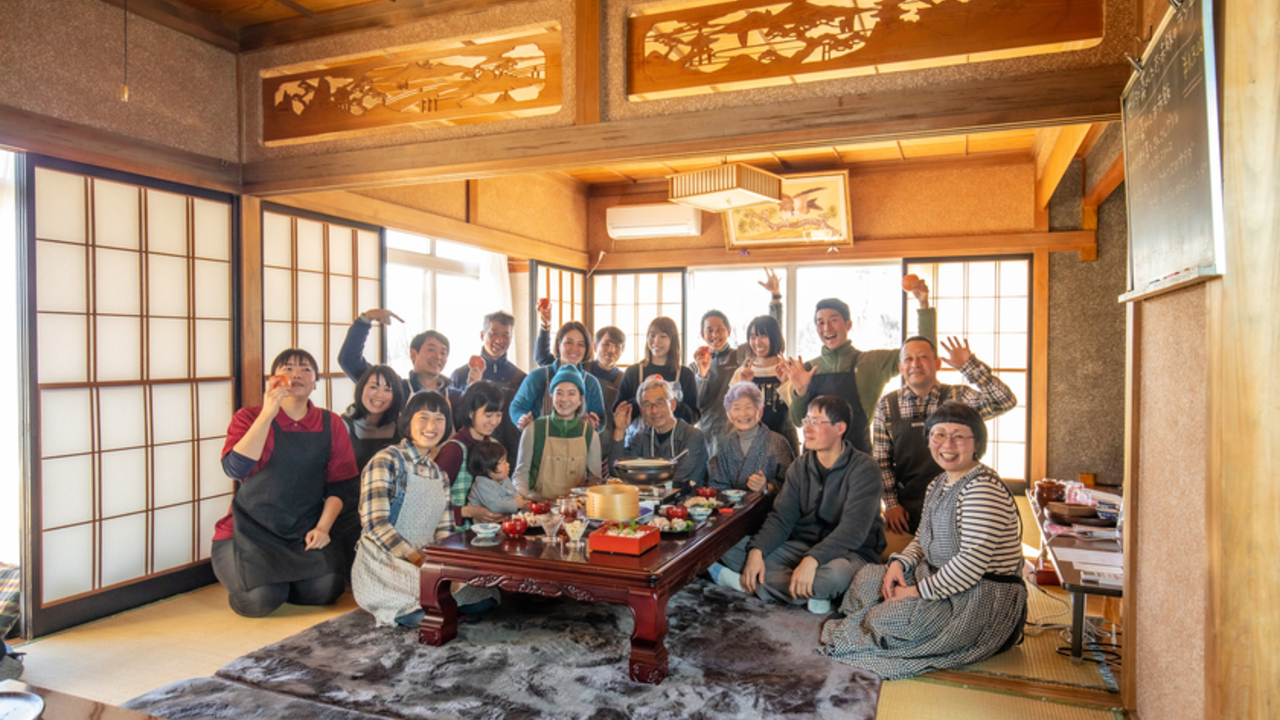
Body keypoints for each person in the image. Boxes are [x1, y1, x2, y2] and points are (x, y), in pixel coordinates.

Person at [817, 402, 1027, 679]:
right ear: (929, 440)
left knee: (887, 618)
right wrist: (898, 564)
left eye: (959, 436)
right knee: (868, 578)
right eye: (939, 434)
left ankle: (883, 618)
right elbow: (922, 538)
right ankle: (880, 615)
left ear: (977, 443)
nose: (947, 444)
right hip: (936, 576)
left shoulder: (982, 490)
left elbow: (970, 566)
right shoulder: (938, 483)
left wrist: (914, 592)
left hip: (979, 596)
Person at [211, 349, 358, 618]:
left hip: (301, 532)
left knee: (326, 590)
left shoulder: (331, 423)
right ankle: (267, 583)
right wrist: (268, 413)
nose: (296, 374)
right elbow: (235, 468)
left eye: (305, 369)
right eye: (287, 368)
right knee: (260, 600)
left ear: (315, 382)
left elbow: (343, 485)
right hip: (246, 533)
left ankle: (278, 579)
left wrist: (323, 528)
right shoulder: (249, 417)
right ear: (273, 379)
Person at [709, 395, 885, 615]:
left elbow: (853, 531)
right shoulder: (800, 467)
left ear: (840, 428)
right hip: (801, 546)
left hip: (849, 553)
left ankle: (742, 582)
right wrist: (757, 551)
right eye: (806, 420)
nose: (807, 428)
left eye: (816, 422)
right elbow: (782, 518)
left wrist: (813, 560)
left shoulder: (864, 468)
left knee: (832, 578)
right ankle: (806, 590)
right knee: (725, 547)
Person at [351, 391, 497, 628]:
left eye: (439, 419)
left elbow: (446, 530)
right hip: (386, 562)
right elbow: (376, 525)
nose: (432, 426)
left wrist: (448, 565)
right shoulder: (386, 460)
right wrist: (420, 561)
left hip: (428, 560)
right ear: (407, 420)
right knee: (428, 613)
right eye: (424, 417)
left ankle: (447, 605)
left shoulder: (438, 474)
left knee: (486, 598)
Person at [875, 336, 1017, 534]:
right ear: (901, 368)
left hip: (960, 503)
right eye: (908, 359)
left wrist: (969, 366)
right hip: (907, 508)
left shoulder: (958, 397)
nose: (915, 364)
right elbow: (882, 461)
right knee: (895, 557)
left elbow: (1005, 401)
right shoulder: (887, 405)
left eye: (923, 357)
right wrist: (891, 504)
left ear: (937, 364)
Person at [780, 280, 935, 454]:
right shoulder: (807, 368)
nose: (827, 328)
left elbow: (924, 351)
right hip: (814, 461)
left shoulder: (872, 363)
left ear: (848, 324)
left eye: (833, 320)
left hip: (858, 458)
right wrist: (800, 390)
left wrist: (923, 305)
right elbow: (797, 421)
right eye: (820, 322)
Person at [691, 269, 784, 458]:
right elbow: (696, 405)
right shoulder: (695, 365)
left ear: (729, 331)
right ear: (702, 334)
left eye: (719, 329)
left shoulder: (742, 355)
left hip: (741, 431)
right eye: (709, 330)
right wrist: (702, 375)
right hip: (709, 435)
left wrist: (775, 298)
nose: (714, 335)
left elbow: (771, 334)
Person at [333, 364, 407, 570]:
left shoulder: (402, 428)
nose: (379, 395)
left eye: (387, 389)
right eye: (373, 386)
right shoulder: (343, 425)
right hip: (350, 509)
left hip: (391, 508)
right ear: (361, 388)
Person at [337, 308, 461, 408]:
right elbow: (350, 360)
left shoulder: (455, 396)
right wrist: (365, 320)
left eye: (443, 352)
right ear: (413, 354)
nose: (438, 357)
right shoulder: (396, 390)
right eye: (431, 350)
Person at [513, 364, 603, 497]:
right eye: (559, 393)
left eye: (571, 393)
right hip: (538, 507)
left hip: (575, 511)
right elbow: (521, 474)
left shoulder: (590, 434)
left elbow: (594, 480)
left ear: (580, 399)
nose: (564, 399)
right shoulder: (534, 428)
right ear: (551, 396)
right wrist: (526, 498)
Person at [448, 311, 526, 463]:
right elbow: (455, 419)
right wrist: (469, 388)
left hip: (507, 456)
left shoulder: (520, 378)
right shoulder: (461, 374)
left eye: (505, 335)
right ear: (482, 335)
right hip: (469, 455)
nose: (499, 340)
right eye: (494, 333)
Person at [610, 376, 709, 488]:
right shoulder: (641, 437)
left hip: (683, 502)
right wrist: (619, 430)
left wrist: (640, 482)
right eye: (647, 405)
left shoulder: (693, 437)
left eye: (660, 403)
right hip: (645, 502)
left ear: (672, 404)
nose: (654, 410)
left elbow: (678, 481)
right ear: (642, 411)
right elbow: (618, 473)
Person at [434, 381, 508, 531]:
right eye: (488, 415)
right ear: (471, 413)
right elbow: (429, 503)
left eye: (498, 415)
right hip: (455, 537)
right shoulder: (453, 450)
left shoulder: (494, 444)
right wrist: (467, 511)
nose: (494, 422)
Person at [509, 321, 607, 430]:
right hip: (540, 442)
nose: (574, 348)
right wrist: (521, 419)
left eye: (580, 344)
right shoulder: (538, 376)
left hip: (577, 444)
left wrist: (593, 424)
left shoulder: (590, 382)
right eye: (569, 342)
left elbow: (600, 420)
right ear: (559, 344)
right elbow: (517, 407)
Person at [613, 317, 700, 430]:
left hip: (676, 444)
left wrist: (672, 402)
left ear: (672, 340)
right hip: (638, 443)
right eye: (652, 335)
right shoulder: (633, 372)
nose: (656, 341)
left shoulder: (685, 374)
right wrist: (643, 396)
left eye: (663, 336)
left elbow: (694, 417)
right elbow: (618, 413)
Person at [730, 313, 799, 456]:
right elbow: (732, 414)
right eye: (753, 337)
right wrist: (743, 386)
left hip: (785, 444)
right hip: (750, 445)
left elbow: (799, 414)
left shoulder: (792, 369)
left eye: (763, 336)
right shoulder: (742, 373)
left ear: (775, 338)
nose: (757, 342)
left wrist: (786, 382)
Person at [707, 382, 794, 494]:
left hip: (768, 510)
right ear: (728, 413)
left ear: (760, 411)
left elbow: (792, 487)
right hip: (731, 509)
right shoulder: (724, 444)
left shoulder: (777, 442)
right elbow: (716, 485)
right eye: (736, 408)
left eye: (748, 407)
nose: (743, 414)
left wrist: (767, 487)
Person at [466, 441, 528, 515]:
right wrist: (516, 504)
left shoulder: (504, 478)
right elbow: (496, 506)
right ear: (489, 469)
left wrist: (521, 501)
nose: (508, 465)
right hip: (484, 525)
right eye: (504, 462)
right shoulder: (481, 484)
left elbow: (514, 493)